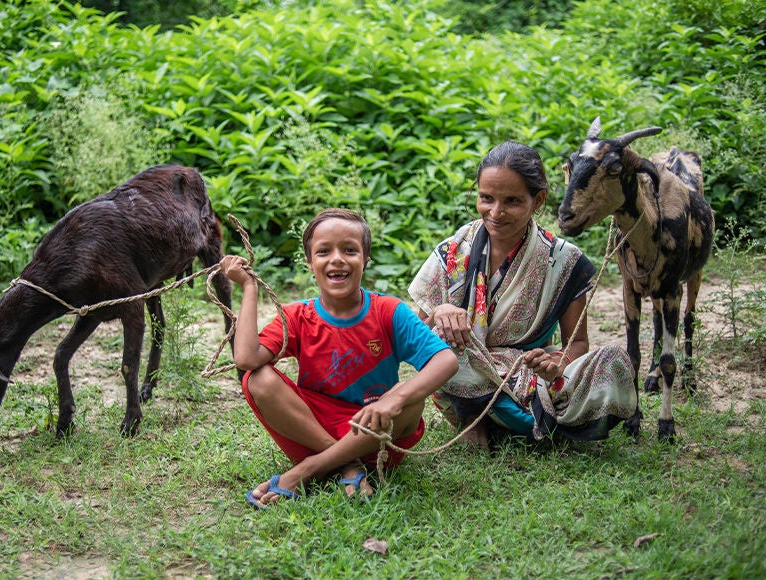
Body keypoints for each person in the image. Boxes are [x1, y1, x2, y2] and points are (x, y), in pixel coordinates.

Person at [220, 208, 458, 508]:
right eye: (323, 251)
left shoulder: (388, 311)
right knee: (258, 378)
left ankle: (310, 468)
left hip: (377, 429)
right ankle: (346, 464)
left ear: (365, 258)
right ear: (309, 262)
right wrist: (249, 287)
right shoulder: (296, 317)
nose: (337, 259)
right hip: (312, 430)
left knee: (412, 397)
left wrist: (394, 400)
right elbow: (246, 358)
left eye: (349, 250)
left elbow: (446, 360)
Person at [408, 141, 637, 449]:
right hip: (465, 372)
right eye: (486, 198)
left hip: (530, 377)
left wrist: (557, 362)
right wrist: (440, 313)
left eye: (512, 201)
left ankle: (504, 419)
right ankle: (475, 419)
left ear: (538, 200)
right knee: (445, 352)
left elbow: (577, 342)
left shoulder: (563, 261)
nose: (496, 212)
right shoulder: (454, 250)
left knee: (614, 362)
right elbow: (417, 336)